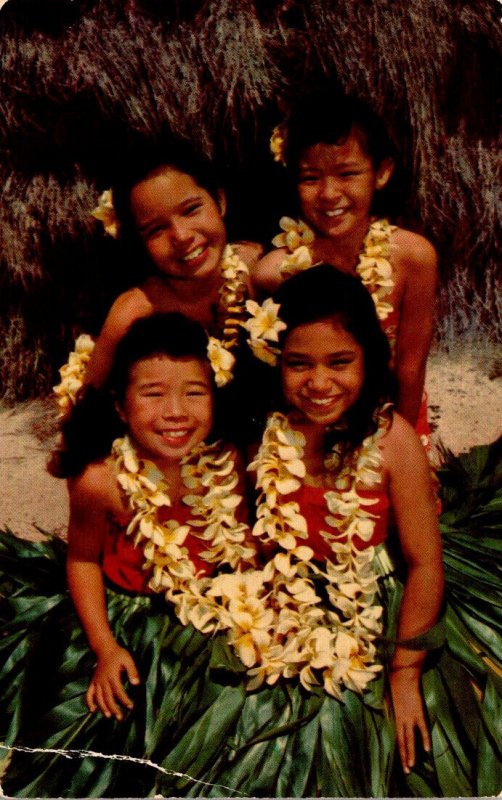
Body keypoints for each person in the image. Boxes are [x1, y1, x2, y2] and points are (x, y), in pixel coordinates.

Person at [153, 266, 501, 797]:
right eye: (298, 364)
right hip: (289, 595)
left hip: (383, 601)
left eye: (340, 362)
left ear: (367, 358)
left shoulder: (391, 441)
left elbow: (425, 563)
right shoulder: (264, 431)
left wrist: (407, 669)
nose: (319, 383)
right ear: (274, 361)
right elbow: (249, 528)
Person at [0, 312, 255, 797]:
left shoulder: (228, 461)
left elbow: (243, 546)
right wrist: (105, 646)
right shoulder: (102, 480)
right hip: (126, 613)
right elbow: (83, 560)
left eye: (194, 393)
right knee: (99, 729)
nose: (176, 411)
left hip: (210, 612)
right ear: (120, 405)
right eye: (153, 394)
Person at [252, 92, 438, 432]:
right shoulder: (277, 270)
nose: (328, 193)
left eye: (347, 174)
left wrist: (403, 446)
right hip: (308, 429)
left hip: (387, 421)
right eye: (310, 178)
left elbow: (411, 369)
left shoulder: (413, 256)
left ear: (381, 173)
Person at [54, 140, 262, 411]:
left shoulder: (256, 267)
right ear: (139, 243)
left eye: (191, 210)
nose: (181, 236)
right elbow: (86, 410)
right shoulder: (135, 310)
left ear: (219, 201)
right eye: (156, 230)